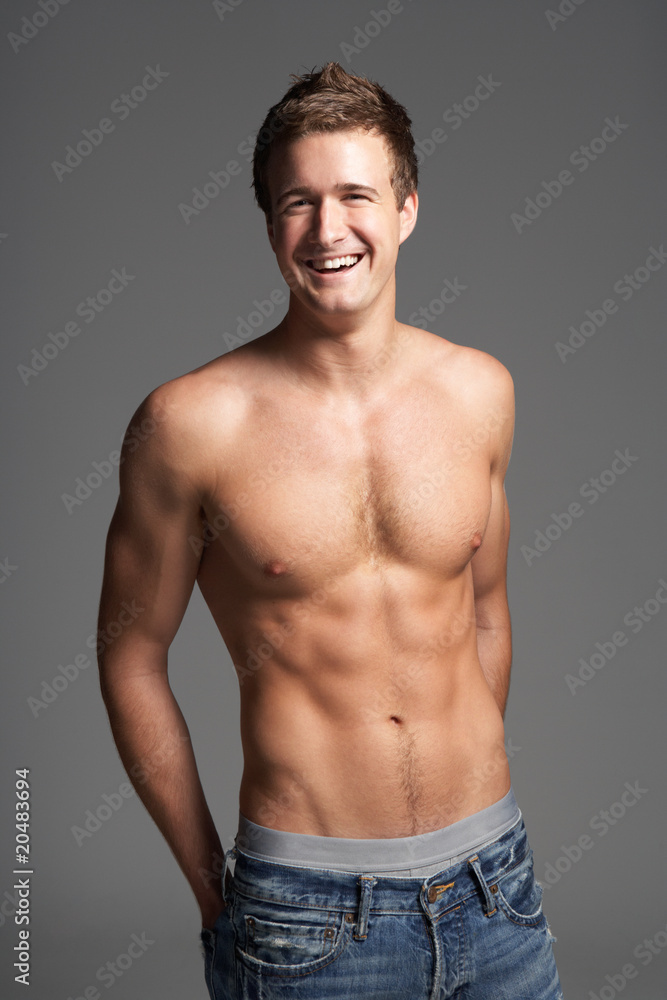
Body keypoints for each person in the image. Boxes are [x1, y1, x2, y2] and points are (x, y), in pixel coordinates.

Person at [97, 62, 563, 999]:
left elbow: (485, 612)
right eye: (296, 202)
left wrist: (451, 784)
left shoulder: (482, 391)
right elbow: (128, 656)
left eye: (355, 194)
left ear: (406, 208)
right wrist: (211, 890)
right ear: (269, 223)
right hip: (303, 917)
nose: (327, 230)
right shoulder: (191, 423)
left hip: (494, 890)